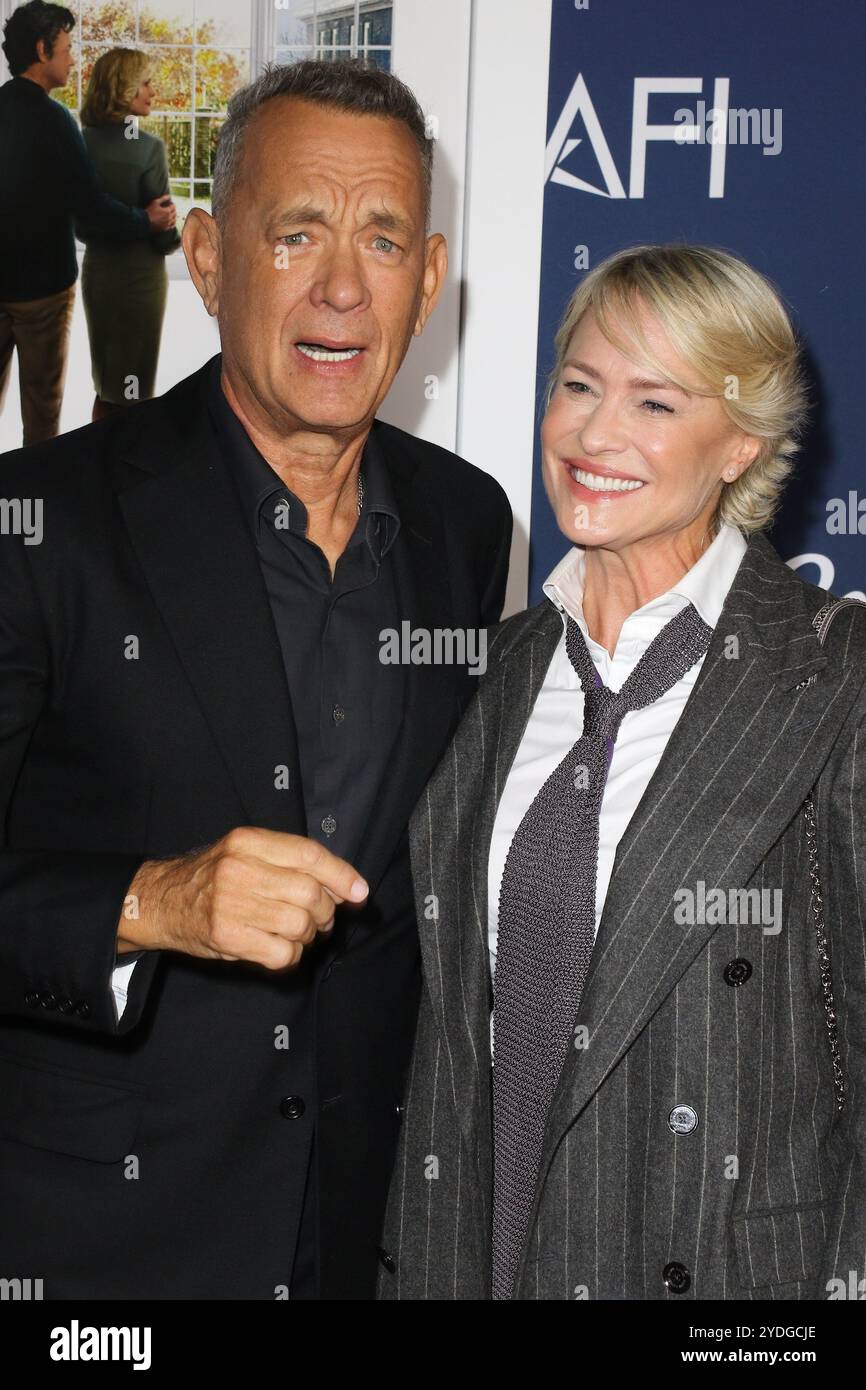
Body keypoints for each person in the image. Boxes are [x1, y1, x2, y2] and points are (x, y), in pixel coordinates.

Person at [0, 60, 512, 1299]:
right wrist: (155, 901)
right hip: (100, 1252)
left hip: (366, 1230)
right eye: (297, 233)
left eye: (382, 239)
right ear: (209, 258)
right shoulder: (44, 516)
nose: (342, 285)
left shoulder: (466, 522)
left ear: (427, 278)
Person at [378, 243, 866, 1301]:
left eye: (653, 402)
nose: (593, 435)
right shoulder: (493, 669)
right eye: (578, 384)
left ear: (738, 440)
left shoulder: (836, 676)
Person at [0, 1, 176, 444]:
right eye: (67, 47)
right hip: (42, 289)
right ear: (43, 50)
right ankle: (41, 498)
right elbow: (89, 206)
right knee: (42, 407)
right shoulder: (56, 121)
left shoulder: (64, 126)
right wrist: (149, 222)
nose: (72, 57)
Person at [76, 48, 181, 421]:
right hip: (139, 281)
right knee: (133, 386)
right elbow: (164, 232)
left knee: (107, 380)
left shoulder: (81, 143)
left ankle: (99, 463)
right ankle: (121, 471)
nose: (152, 91)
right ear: (126, 89)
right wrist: (168, 232)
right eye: (146, 83)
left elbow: (82, 220)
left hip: (98, 276)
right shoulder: (148, 148)